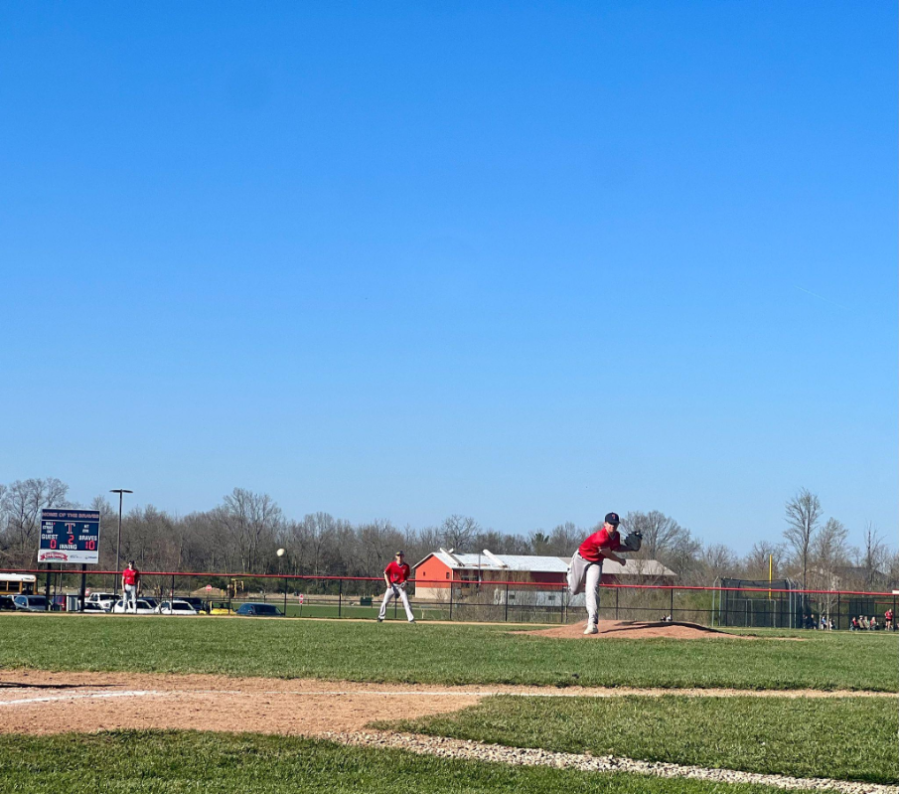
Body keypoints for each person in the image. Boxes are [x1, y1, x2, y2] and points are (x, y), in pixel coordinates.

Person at [567, 512, 630, 635]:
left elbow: (616, 547)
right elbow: (608, 553)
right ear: (605, 524)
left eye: (615, 524)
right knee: (574, 590)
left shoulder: (616, 536)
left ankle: (592, 623)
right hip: (581, 559)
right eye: (610, 524)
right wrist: (620, 560)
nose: (613, 526)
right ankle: (571, 572)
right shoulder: (600, 537)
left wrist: (631, 548)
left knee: (592, 589)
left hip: (596, 562)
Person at [377, 551, 415, 624]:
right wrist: (388, 583)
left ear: (403, 556)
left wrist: (405, 583)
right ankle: (381, 617)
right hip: (392, 585)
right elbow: (385, 573)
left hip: (401, 586)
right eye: (398, 556)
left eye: (401, 556)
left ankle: (411, 619)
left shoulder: (406, 566)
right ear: (396, 557)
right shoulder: (392, 565)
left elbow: (407, 576)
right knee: (385, 602)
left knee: (406, 603)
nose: (399, 557)